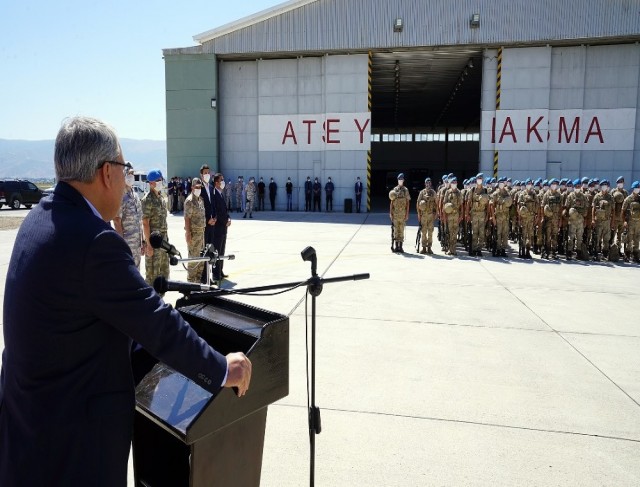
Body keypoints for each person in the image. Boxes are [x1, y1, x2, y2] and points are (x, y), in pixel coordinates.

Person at [0, 116, 252, 486]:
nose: (126, 179)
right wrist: (220, 369)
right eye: (124, 169)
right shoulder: (94, 241)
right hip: (71, 449)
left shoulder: (41, 217)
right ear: (105, 173)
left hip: (30, 428)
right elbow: (157, 324)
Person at [142, 169, 170, 287]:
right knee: (153, 274)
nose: (160, 182)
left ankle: (161, 299)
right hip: (153, 242)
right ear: (151, 183)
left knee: (164, 273)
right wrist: (148, 245)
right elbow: (145, 223)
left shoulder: (161, 198)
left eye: (161, 180)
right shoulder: (147, 200)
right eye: (158, 180)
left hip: (163, 241)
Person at [113, 166, 144, 268]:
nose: (131, 176)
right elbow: (117, 221)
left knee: (137, 273)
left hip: (137, 245)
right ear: (124, 175)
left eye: (132, 174)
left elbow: (139, 221)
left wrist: (142, 241)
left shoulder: (135, 196)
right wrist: (121, 245)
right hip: (127, 244)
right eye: (129, 174)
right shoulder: (120, 196)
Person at [184, 177, 206, 282]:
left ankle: (197, 283)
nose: (198, 189)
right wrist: (188, 233)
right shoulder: (189, 201)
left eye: (200, 187)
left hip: (201, 234)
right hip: (193, 235)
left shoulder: (200, 200)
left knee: (200, 261)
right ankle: (190, 284)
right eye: (196, 187)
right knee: (193, 260)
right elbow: (187, 218)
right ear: (192, 187)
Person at [211, 173, 231, 280]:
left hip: (224, 227)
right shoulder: (214, 194)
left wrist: (228, 218)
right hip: (218, 228)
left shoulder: (221, 194)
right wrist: (225, 221)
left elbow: (224, 210)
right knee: (217, 251)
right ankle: (215, 273)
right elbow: (217, 212)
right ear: (216, 183)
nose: (223, 181)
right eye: (221, 180)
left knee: (222, 251)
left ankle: (220, 271)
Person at [466, 173, 490, 257]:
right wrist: (467, 214)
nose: (479, 180)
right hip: (474, 214)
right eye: (478, 178)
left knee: (481, 233)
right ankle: (474, 248)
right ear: (476, 180)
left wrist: (487, 215)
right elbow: (468, 203)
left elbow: (487, 205)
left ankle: (479, 249)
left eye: (481, 178)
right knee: (474, 232)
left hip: (482, 214)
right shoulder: (472, 190)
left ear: (482, 180)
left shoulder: (485, 190)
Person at [489, 177, 513, 257]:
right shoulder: (495, 194)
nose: (502, 185)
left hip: (505, 216)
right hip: (498, 216)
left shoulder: (507, 193)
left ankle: (503, 250)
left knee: (505, 233)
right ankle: (498, 249)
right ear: (498, 184)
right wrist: (493, 217)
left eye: (503, 183)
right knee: (498, 233)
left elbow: (510, 204)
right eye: (500, 183)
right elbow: (492, 206)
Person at [591, 179, 614, 261]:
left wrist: (612, 221)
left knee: (606, 238)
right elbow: (593, 208)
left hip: (607, 221)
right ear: (601, 187)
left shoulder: (610, 197)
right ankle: (596, 253)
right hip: (598, 221)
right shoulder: (597, 196)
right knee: (597, 238)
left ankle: (605, 253)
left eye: (606, 185)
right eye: (603, 185)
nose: (604, 187)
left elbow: (613, 210)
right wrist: (593, 219)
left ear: (608, 187)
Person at [389, 173, 410, 253]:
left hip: (402, 214)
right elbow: (391, 202)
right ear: (398, 180)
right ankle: (395, 246)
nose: (400, 181)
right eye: (399, 179)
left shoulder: (405, 190)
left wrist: (407, 214)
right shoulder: (394, 190)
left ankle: (400, 247)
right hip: (395, 214)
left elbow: (408, 203)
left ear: (403, 180)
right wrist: (390, 213)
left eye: (402, 179)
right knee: (396, 230)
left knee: (401, 230)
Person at [442, 175, 463, 256]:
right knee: (449, 233)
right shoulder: (448, 192)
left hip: (456, 215)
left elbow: (462, 206)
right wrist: (444, 216)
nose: (454, 183)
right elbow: (444, 204)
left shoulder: (459, 192)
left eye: (455, 182)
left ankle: (454, 249)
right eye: (453, 182)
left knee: (455, 233)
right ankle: (449, 249)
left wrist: (461, 216)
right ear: (450, 184)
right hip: (449, 216)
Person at [416, 177, 436, 254]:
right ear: (425, 184)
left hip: (431, 215)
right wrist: (418, 214)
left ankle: (429, 248)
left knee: (430, 232)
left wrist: (436, 213)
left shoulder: (433, 193)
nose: (428, 184)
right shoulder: (422, 193)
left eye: (429, 183)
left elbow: (436, 204)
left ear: (431, 184)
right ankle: (424, 247)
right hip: (423, 215)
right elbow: (418, 203)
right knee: (424, 231)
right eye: (427, 183)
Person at [621, 180, 640, 263]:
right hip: (630, 222)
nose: (637, 189)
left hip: (638, 223)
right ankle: (627, 254)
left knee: (637, 239)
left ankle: (636, 255)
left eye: (638, 188)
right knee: (629, 239)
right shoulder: (628, 199)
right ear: (633, 189)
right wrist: (624, 221)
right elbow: (623, 211)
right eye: (636, 188)